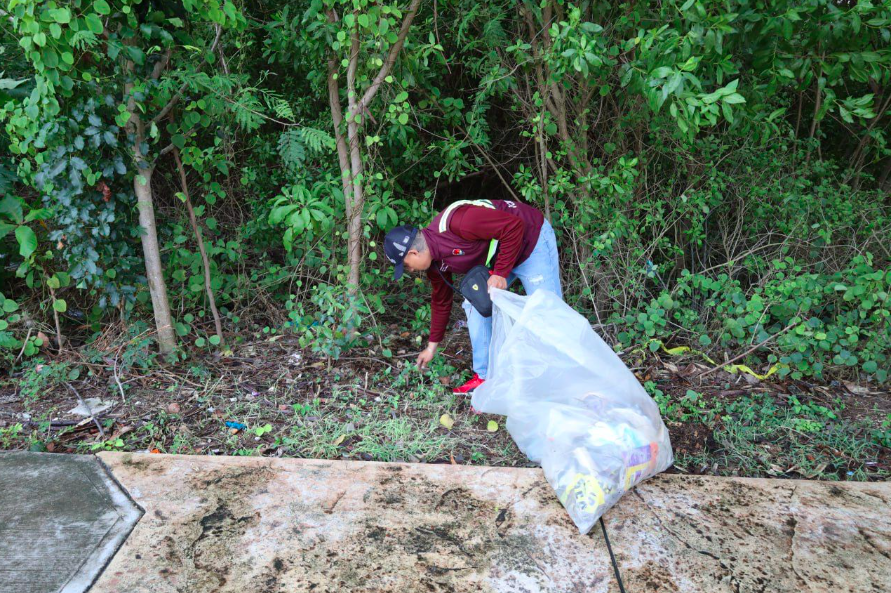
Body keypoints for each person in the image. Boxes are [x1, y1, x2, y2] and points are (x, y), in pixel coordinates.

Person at [384, 199, 562, 394]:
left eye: (406, 265)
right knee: (473, 304)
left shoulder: (459, 221)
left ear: (413, 252)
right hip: (502, 255)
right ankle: (484, 377)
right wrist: (431, 347)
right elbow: (441, 301)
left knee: (547, 310)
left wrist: (500, 273)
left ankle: (562, 375)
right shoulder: (435, 264)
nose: (410, 270)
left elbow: (513, 226)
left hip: (530, 241)